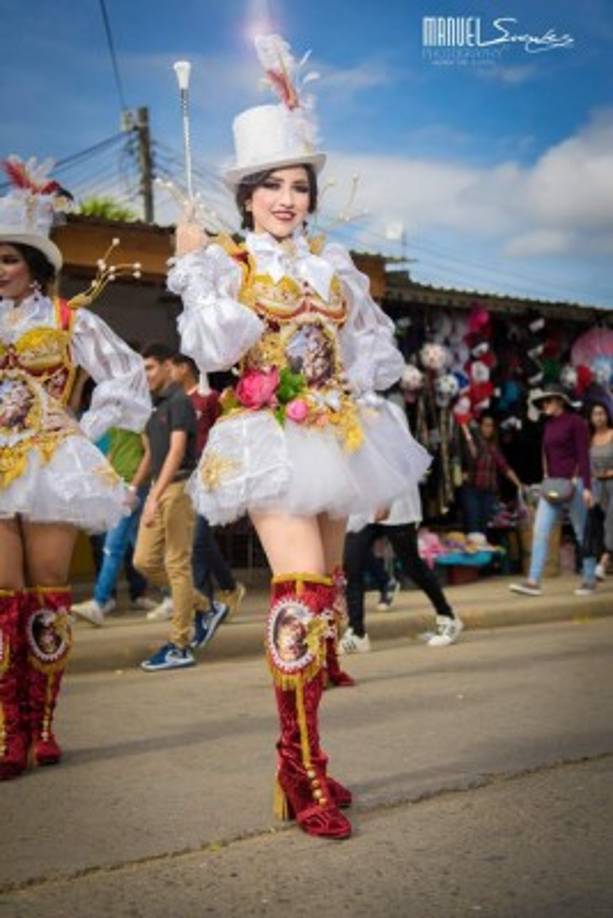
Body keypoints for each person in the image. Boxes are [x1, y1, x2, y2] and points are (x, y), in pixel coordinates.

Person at [168, 33, 430, 839]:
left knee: (323, 610)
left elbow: (370, 351)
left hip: (332, 431)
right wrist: (193, 264)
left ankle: (313, 757)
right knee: (302, 594)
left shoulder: (333, 262)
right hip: (268, 438)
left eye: (298, 185)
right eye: (270, 185)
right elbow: (211, 349)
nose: (286, 197)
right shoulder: (226, 260)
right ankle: (298, 774)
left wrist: (366, 383)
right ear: (245, 195)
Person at [0, 156, 150, 780]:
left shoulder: (70, 319)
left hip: (50, 462)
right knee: (4, 597)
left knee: (48, 587)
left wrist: (81, 427)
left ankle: (46, 722)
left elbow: (131, 376)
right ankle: (9, 731)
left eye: (8, 257)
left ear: (34, 266)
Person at [342, 399, 463, 653]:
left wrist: (386, 497)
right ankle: (357, 631)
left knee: (412, 565)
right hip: (362, 501)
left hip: (395, 500)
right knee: (351, 565)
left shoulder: (384, 408)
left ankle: (448, 617)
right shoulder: (339, 406)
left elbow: (400, 454)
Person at [134, 343, 222, 671]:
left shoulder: (180, 402)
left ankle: (180, 645)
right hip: (159, 487)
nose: (146, 375)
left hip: (179, 487)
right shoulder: (154, 406)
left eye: (150, 368)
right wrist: (133, 488)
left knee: (176, 564)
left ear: (169, 367)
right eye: (142, 369)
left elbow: (176, 451)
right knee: (144, 561)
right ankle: (205, 607)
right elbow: (151, 454)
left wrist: (154, 497)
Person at [170, 353, 245, 622]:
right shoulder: (176, 402)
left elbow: (222, 431)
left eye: (172, 367)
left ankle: (206, 602)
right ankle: (227, 588)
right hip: (184, 477)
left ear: (185, 368)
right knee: (198, 541)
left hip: (208, 474)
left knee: (198, 540)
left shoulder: (209, 397)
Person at [510, 384, 596, 597]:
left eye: (548, 401)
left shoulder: (575, 422)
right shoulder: (548, 425)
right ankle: (533, 581)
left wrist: (586, 486)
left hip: (574, 484)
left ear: (560, 400)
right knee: (540, 531)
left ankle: (589, 579)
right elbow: (546, 455)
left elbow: (584, 455)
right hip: (552, 484)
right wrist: (545, 477)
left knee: (581, 531)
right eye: (543, 402)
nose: (544, 405)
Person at [71, 422, 153, 625]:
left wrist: (134, 487)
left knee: (113, 547)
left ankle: (99, 602)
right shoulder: (115, 422)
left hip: (132, 488)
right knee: (139, 548)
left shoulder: (138, 418)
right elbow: (112, 455)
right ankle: (173, 594)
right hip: (119, 487)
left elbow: (150, 453)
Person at [460, 413, 523, 534]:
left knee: (483, 527)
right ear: (480, 426)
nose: (489, 428)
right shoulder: (472, 442)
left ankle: (482, 552)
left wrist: (519, 484)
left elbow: (505, 468)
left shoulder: (493, 447)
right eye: (486, 425)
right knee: (473, 525)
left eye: (491, 426)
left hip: (488, 493)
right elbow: (466, 457)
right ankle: (476, 551)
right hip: (472, 490)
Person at [588, 402, 613, 581]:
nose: (599, 417)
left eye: (602, 413)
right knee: (600, 525)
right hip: (598, 487)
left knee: (611, 522)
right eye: (595, 414)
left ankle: (603, 562)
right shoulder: (590, 439)